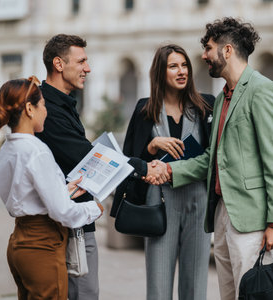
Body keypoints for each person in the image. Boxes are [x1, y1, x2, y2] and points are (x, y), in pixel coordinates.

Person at [151, 18, 273, 300]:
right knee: (230, 295)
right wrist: (169, 170)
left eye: (208, 48)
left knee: (254, 294)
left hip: (252, 219)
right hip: (222, 213)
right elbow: (213, 159)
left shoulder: (263, 91)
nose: (204, 56)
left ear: (227, 50)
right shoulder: (222, 98)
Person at [35, 34, 163, 300]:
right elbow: (82, 155)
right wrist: (144, 168)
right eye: (81, 61)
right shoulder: (47, 109)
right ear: (59, 64)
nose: (88, 68)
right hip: (66, 225)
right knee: (84, 293)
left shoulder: (62, 104)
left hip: (76, 221)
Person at [111, 44, 214, 300]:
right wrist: (151, 145)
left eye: (184, 65)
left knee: (196, 281)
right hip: (159, 200)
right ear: (160, 72)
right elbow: (130, 160)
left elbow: (214, 155)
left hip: (197, 198)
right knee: (158, 282)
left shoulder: (205, 106)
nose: (182, 71)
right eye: (173, 66)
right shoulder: (144, 110)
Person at [0, 76, 104, 299]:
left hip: (18, 242)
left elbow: (24, 195)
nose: (46, 111)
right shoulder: (37, 151)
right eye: (42, 105)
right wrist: (95, 209)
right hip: (43, 244)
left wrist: (63, 190)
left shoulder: (4, 153)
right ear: (30, 109)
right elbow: (63, 213)